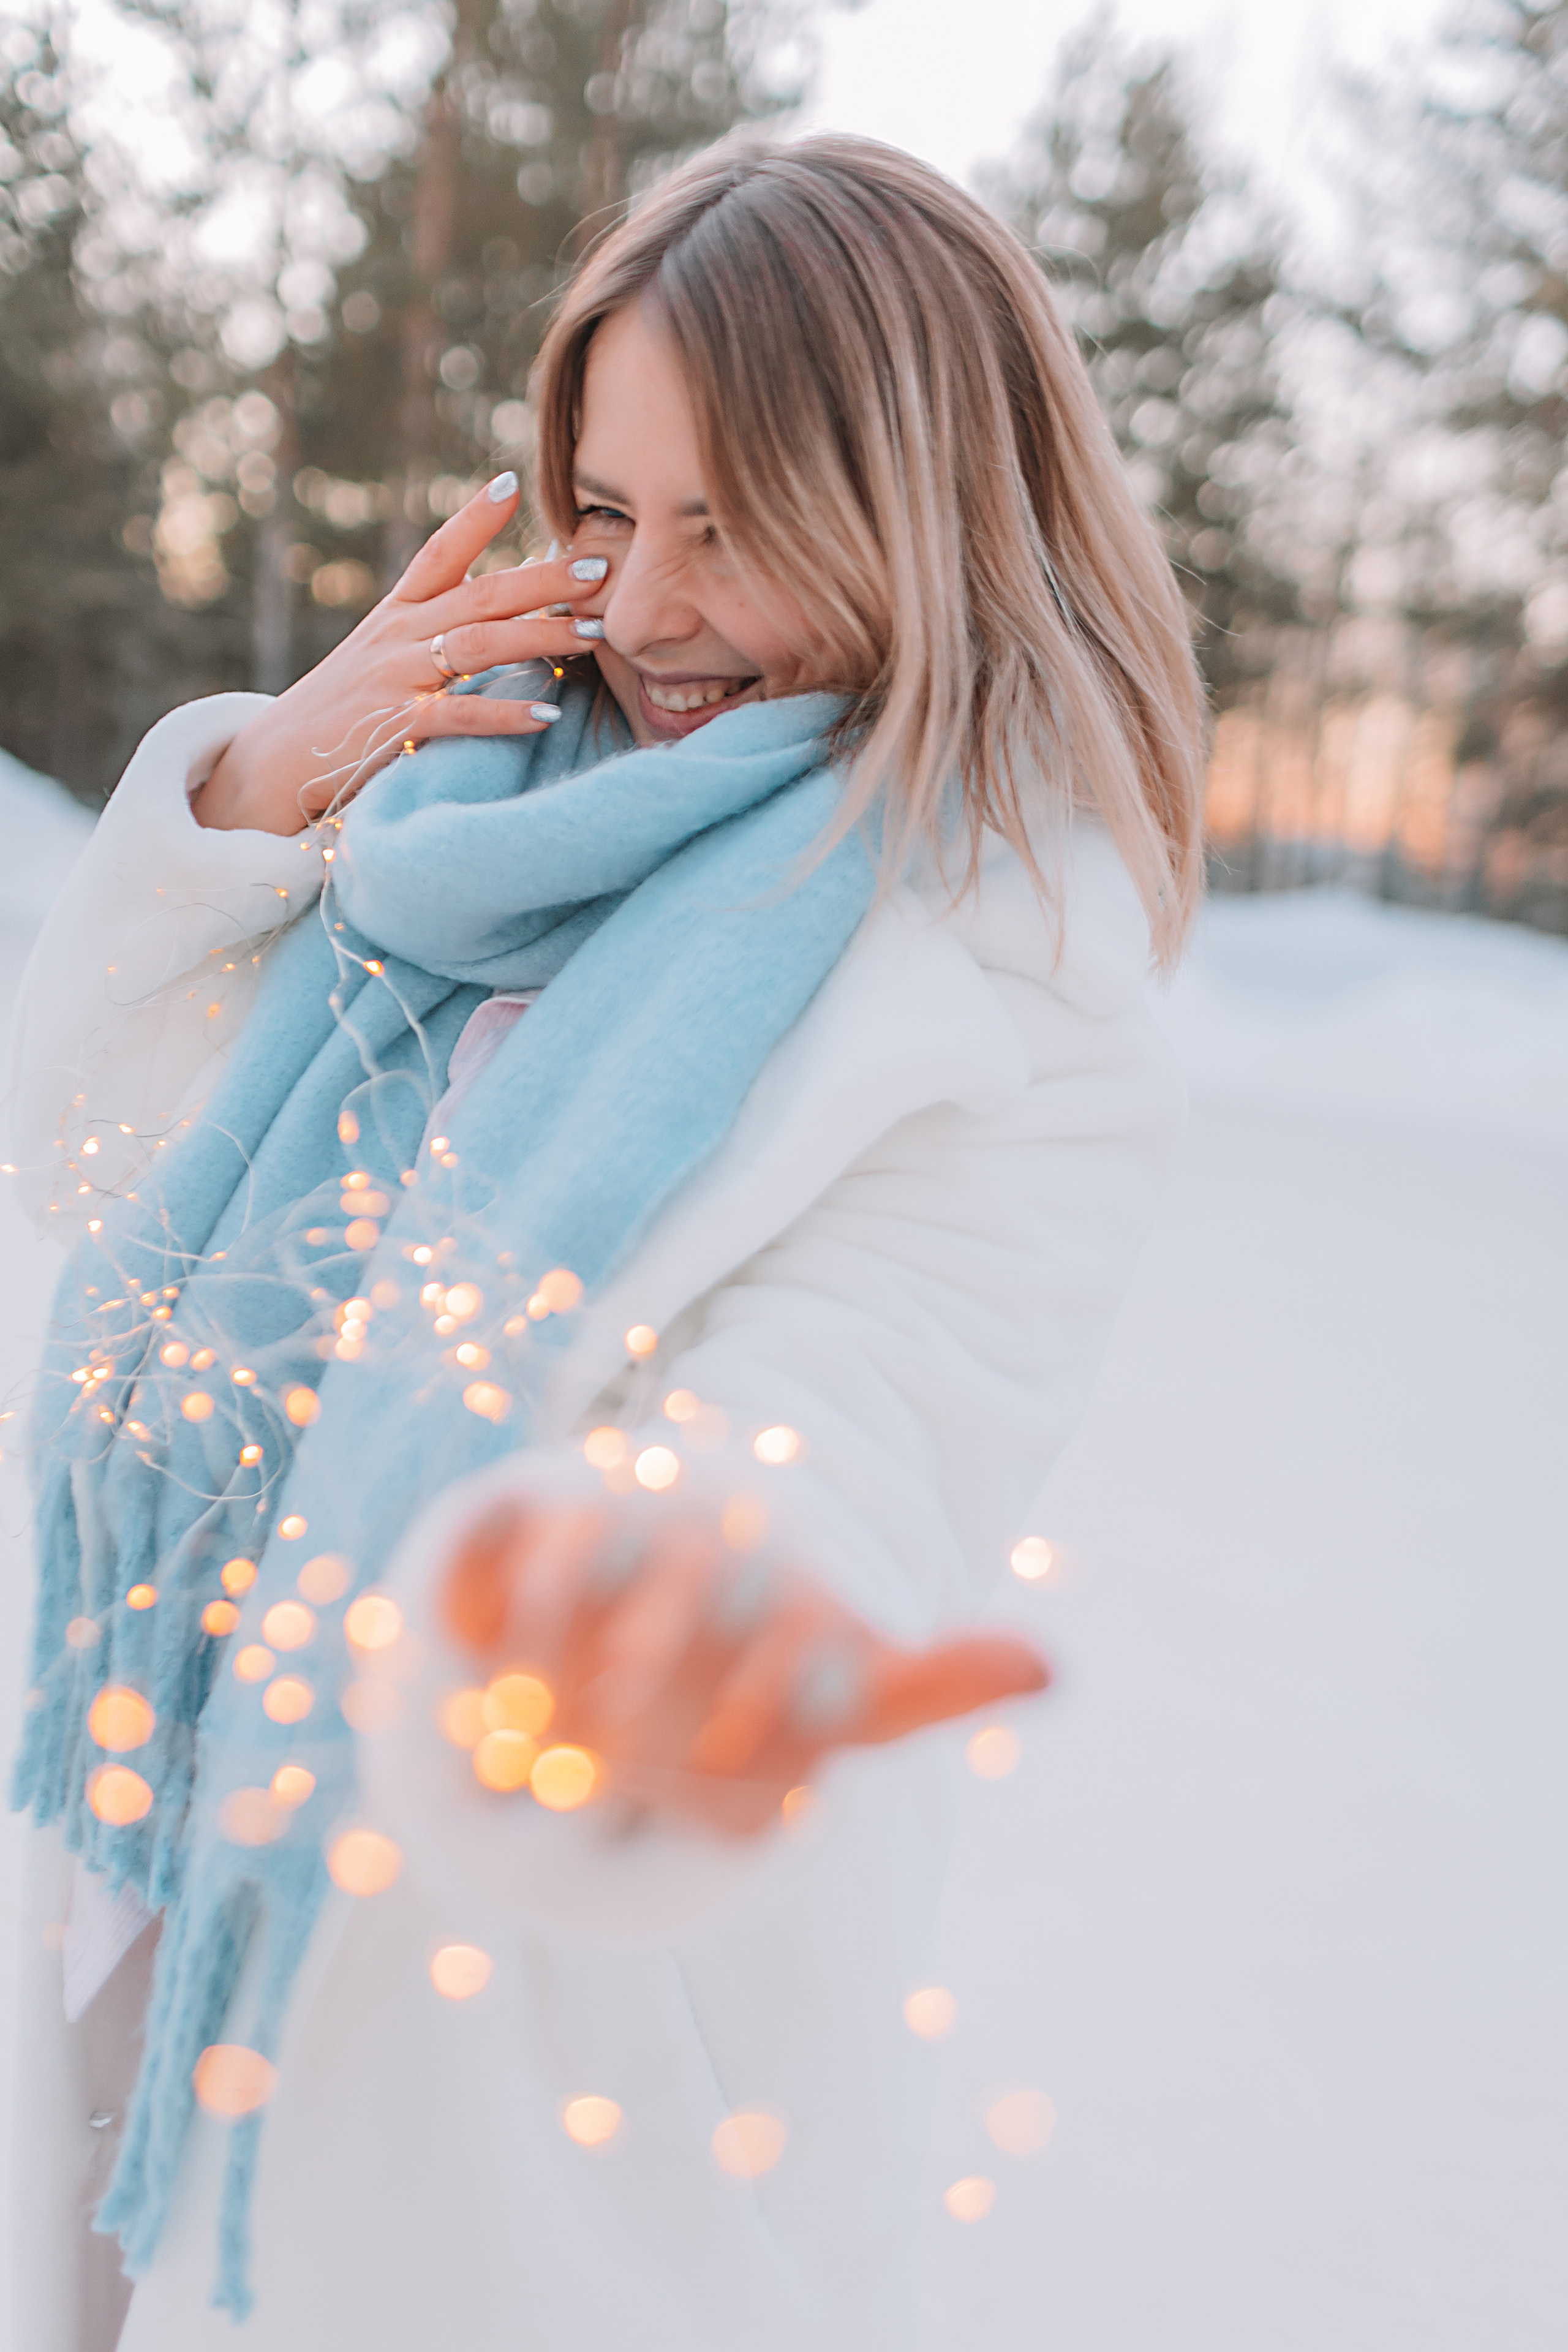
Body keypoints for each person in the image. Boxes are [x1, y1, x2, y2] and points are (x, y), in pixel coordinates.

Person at [5, 132, 1204, 2352]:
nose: (643, 614)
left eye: (735, 528)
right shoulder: (465, 820)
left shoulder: (1009, 989)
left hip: (506, 2040)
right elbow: (77, 1164)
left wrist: (650, 1624)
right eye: (612, 513)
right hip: (142, 1896)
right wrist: (265, 798)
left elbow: (837, 1432)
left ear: (925, 521)